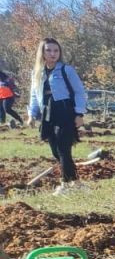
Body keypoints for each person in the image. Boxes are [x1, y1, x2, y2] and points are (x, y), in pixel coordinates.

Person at [26, 38, 87, 195]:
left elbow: (80, 92)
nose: (53, 54)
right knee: (55, 150)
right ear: (42, 52)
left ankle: (65, 184)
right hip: (47, 113)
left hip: (65, 111)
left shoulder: (67, 70)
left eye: (56, 51)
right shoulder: (37, 72)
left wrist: (79, 113)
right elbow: (34, 95)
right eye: (49, 50)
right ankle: (76, 183)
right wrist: (31, 115)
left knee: (63, 147)